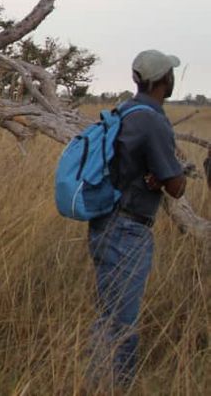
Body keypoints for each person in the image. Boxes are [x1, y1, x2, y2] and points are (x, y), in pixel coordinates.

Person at [86, 50, 187, 391]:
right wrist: (176, 172)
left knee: (109, 315)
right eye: (171, 74)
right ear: (163, 80)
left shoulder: (125, 110)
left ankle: (95, 382)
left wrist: (156, 174)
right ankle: (116, 387)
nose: (173, 78)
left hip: (105, 222)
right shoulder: (152, 119)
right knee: (123, 323)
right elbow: (175, 187)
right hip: (128, 229)